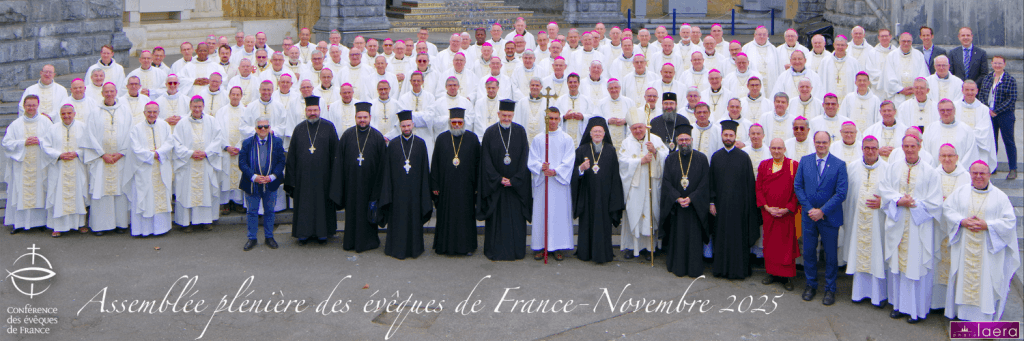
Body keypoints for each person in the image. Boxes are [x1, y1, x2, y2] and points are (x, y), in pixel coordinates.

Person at [942, 160, 1020, 321]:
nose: (978, 176)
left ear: (989, 174)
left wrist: (988, 225)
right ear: (970, 174)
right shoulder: (960, 192)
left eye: (982, 173)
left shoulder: (1000, 197)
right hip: (964, 247)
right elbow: (948, 210)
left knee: (985, 282)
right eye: (975, 173)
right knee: (963, 279)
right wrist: (961, 221)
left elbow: (1009, 221)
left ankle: (983, 318)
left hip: (988, 250)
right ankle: (963, 316)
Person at [879, 134, 942, 323]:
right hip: (898, 223)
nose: (909, 149)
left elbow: (935, 201)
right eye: (905, 146)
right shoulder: (893, 168)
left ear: (919, 146)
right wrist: (899, 200)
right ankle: (898, 306)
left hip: (917, 226)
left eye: (912, 146)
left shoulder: (931, 172)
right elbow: (884, 189)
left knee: (915, 266)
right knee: (898, 267)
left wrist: (912, 203)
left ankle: (916, 310)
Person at [794, 131, 848, 306]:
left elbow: (841, 193)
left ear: (830, 143)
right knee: (809, 252)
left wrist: (822, 211)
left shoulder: (839, 165)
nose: (821, 145)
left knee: (830, 255)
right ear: (814, 142)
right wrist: (810, 209)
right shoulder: (805, 161)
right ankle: (811, 285)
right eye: (818, 142)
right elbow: (798, 186)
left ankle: (830, 289)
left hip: (829, 216)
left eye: (824, 142)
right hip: (809, 216)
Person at [477, 99, 532, 261]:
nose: (506, 118)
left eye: (509, 115)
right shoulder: (490, 133)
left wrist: (514, 180)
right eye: (504, 115)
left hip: (515, 187)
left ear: (513, 115)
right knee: (497, 221)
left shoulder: (520, 132)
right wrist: (498, 178)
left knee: (515, 220)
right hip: (497, 186)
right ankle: (495, 251)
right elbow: (485, 161)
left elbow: (525, 159)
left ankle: (516, 251)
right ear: (498, 114)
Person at [708, 120, 761, 279]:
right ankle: (720, 269)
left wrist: (748, 207)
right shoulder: (716, 157)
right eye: (726, 135)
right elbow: (711, 182)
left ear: (735, 136)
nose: (728, 137)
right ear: (722, 136)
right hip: (721, 207)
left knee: (738, 239)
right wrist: (711, 202)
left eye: (731, 135)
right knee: (721, 238)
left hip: (739, 208)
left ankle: (739, 270)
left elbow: (750, 184)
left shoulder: (744, 157)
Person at [284, 96, 339, 245]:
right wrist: (292, 179)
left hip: (324, 178)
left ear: (320, 111)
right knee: (304, 206)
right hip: (303, 179)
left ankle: (323, 234)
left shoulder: (329, 127)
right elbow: (292, 156)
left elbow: (336, 154)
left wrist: (335, 177)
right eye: (310, 110)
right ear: (305, 111)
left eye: (315, 110)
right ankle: (303, 234)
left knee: (323, 205)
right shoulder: (299, 129)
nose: (312, 113)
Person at [841, 135, 889, 306]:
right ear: (862, 149)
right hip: (857, 221)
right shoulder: (852, 167)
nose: (870, 151)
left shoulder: (888, 169)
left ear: (878, 149)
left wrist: (883, 203)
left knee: (877, 255)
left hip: (878, 223)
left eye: (873, 148)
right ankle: (859, 293)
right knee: (859, 254)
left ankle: (879, 296)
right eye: (867, 148)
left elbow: (894, 196)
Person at [330, 102, 385, 250]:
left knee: (368, 214)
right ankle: (350, 242)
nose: (362, 120)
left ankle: (369, 242)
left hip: (370, 185)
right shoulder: (347, 136)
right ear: (355, 117)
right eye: (359, 117)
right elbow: (339, 163)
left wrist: (378, 189)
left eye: (365, 117)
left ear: (370, 117)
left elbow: (382, 166)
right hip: (351, 184)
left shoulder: (378, 137)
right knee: (352, 214)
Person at [378, 110, 432, 259]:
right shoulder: (394, 144)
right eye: (403, 126)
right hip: (397, 192)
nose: (406, 128)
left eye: (408, 125)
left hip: (415, 192)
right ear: (400, 126)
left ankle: (415, 249)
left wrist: (424, 191)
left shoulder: (420, 144)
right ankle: (396, 249)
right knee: (398, 220)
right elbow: (387, 171)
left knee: (414, 219)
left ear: (413, 125)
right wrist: (388, 191)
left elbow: (424, 170)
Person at [571, 117, 623, 263]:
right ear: (590, 133)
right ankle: (585, 253)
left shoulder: (611, 150)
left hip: (605, 196)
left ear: (605, 133)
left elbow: (615, 175)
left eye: (600, 131)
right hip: (587, 195)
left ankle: (603, 253)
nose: (598, 134)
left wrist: (614, 197)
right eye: (595, 131)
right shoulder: (581, 150)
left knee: (603, 224)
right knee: (587, 223)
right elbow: (573, 173)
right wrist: (581, 168)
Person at [661, 124, 711, 276]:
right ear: (676, 140)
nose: (684, 142)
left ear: (692, 140)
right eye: (681, 139)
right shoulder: (670, 159)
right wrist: (677, 197)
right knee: (678, 237)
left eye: (686, 139)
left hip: (694, 208)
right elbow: (666, 182)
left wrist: (691, 198)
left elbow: (705, 183)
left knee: (693, 239)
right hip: (677, 208)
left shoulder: (701, 158)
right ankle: (678, 266)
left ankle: (694, 268)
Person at [430, 108, 481, 256]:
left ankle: (467, 247)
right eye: (454, 122)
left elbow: (478, 164)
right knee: (446, 216)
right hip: (446, 187)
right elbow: (435, 164)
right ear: (449, 123)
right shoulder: (442, 138)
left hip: (467, 187)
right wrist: (435, 185)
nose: (457, 125)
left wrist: (477, 186)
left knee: (465, 216)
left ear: (464, 123)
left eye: (460, 122)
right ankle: (445, 246)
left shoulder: (472, 138)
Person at [85, 83, 134, 235]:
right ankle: (101, 226)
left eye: (112, 91)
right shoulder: (94, 112)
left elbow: (130, 132)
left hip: (120, 158)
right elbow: (90, 135)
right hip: (102, 159)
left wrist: (121, 152)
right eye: (106, 91)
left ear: (116, 92)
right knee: (102, 191)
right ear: (102, 93)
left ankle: (121, 223)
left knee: (119, 191)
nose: (109, 94)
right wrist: (101, 154)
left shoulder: (125, 111)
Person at [619, 114, 669, 260]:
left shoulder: (655, 139)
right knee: (633, 214)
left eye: (640, 127)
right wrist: (640, 161)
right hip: (634, 186)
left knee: (650, 214)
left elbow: (667, 156)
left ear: (645, 126)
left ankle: (649, 248)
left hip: (651, 184)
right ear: (630, 129)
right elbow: (622, 162)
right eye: (634, 128)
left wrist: (655, 152)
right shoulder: (626, 143)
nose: (638, 131)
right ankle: (631, 247)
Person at [528, 107, 575, 261]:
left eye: (555, 118)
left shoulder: (566, 139)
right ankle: (541, 246)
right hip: (543, 183)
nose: (553, 122)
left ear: (560, 119)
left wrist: (555, 171)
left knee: (558, 215)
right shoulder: (538, 139)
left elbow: (569, 160)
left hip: (559, 184)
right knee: (542, 214)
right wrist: (540, 167)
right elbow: (532, 160)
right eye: (550, 118)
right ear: (545, 119)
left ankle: (558, 247)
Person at [40, 104, 95, 237]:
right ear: (60, 115)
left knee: (78, 193)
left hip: (76, 166)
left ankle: (80, 224)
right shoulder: (53, 129)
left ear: (74, 113)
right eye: (63, 114)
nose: (66, 116)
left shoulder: (82, 127)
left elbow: (88, 145)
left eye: (69, 113)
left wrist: (77, 153)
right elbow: (45, 146)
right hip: (59, 166)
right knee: (58, 194)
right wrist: (59, 155)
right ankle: (57, 226)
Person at [172, 96, 223, 231]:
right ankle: (186, 222)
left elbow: (218, 139)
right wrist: (190, 153)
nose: (197, 109)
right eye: (194, 107)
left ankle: (206, 221)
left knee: (206, 192)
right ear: (190, 106)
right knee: (187, 192)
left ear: (203, 107)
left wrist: (206, 152)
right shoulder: (182, 123)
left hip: (205, 161)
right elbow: (176, 143)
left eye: (199, 106)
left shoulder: (212, 121)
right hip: (189, 163)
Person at [3, 95, 53, 234]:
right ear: (24, 106)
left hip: (39, 164)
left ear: (38, 105)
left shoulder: (46, 122)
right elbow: (6, 143)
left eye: (34, 105)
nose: (31, 108)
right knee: (20, 192)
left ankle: (40, 222)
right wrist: (23, 142)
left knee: (39, 191)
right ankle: (19, 223)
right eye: (28, 105)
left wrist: (40, 141)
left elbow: (52, 140)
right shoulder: (16, 124)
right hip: (22, 165)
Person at [756, 138, 800, 290]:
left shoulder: (793, 165)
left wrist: (788, 208)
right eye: (774, 148)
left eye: (779, 148)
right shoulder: (764, 165)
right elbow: (759, 188)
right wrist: (767, 207)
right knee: (770, 245)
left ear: (785, 149)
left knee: (786, 246)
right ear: (769, 149)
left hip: (786, 214)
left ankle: (786, 277)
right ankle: (771, 273)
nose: (776, 151)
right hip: (769, 213)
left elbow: (798, 190)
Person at [238, 116, 285, 251]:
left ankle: (269, 237)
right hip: (252, 183)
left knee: (270, 211)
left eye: (265, 126)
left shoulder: (276, 142)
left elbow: (281, 161)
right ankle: (252, 238)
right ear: (255, 129)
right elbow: (242, 162)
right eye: (260, 127)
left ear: (270, 128)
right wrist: (253, 176)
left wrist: (272, 176)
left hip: (270, 183)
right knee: (252, 212)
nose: (263, 129)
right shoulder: (247, 143)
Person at [128, 102, 175, 237]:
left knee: (160, 197)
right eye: (149, 112)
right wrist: (150, 155)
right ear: (144, 113)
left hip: (161, 166)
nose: (152, 114)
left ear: (158, 113)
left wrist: (158, 153)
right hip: (144, 168)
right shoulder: (136, 128)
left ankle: (161, 228)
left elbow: (169, 142)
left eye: (155, 112)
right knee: (145, 197)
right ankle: (144, 229)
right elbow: (135, 148)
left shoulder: (164, 126)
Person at [977, 56, 1017, 179]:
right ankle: (992, 166)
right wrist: (987, 110)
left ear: (1004, 64)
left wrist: (996, 110)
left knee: (1008, 141)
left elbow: (1011, 98)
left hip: (1005, 115)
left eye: (1000, 63)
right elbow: (982, 94)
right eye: (995, 63)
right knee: (992, 141)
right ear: (992, 64)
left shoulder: (1010, 79)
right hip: (989, 114)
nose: (997, 65)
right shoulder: (988, 78)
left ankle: (1013, 168)